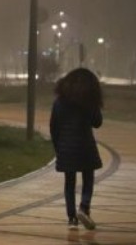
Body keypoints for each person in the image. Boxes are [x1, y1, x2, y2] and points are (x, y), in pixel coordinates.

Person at [49, 67, 103, 230]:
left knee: (69, 183)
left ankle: (72, 218)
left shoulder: (59, 102)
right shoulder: (88, 101)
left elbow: (54, 127)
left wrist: (58, 147)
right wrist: (95, 105)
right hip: (85, 146)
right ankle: (84, 208)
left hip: (66, 148)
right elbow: (97, 122)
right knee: (88, 179)